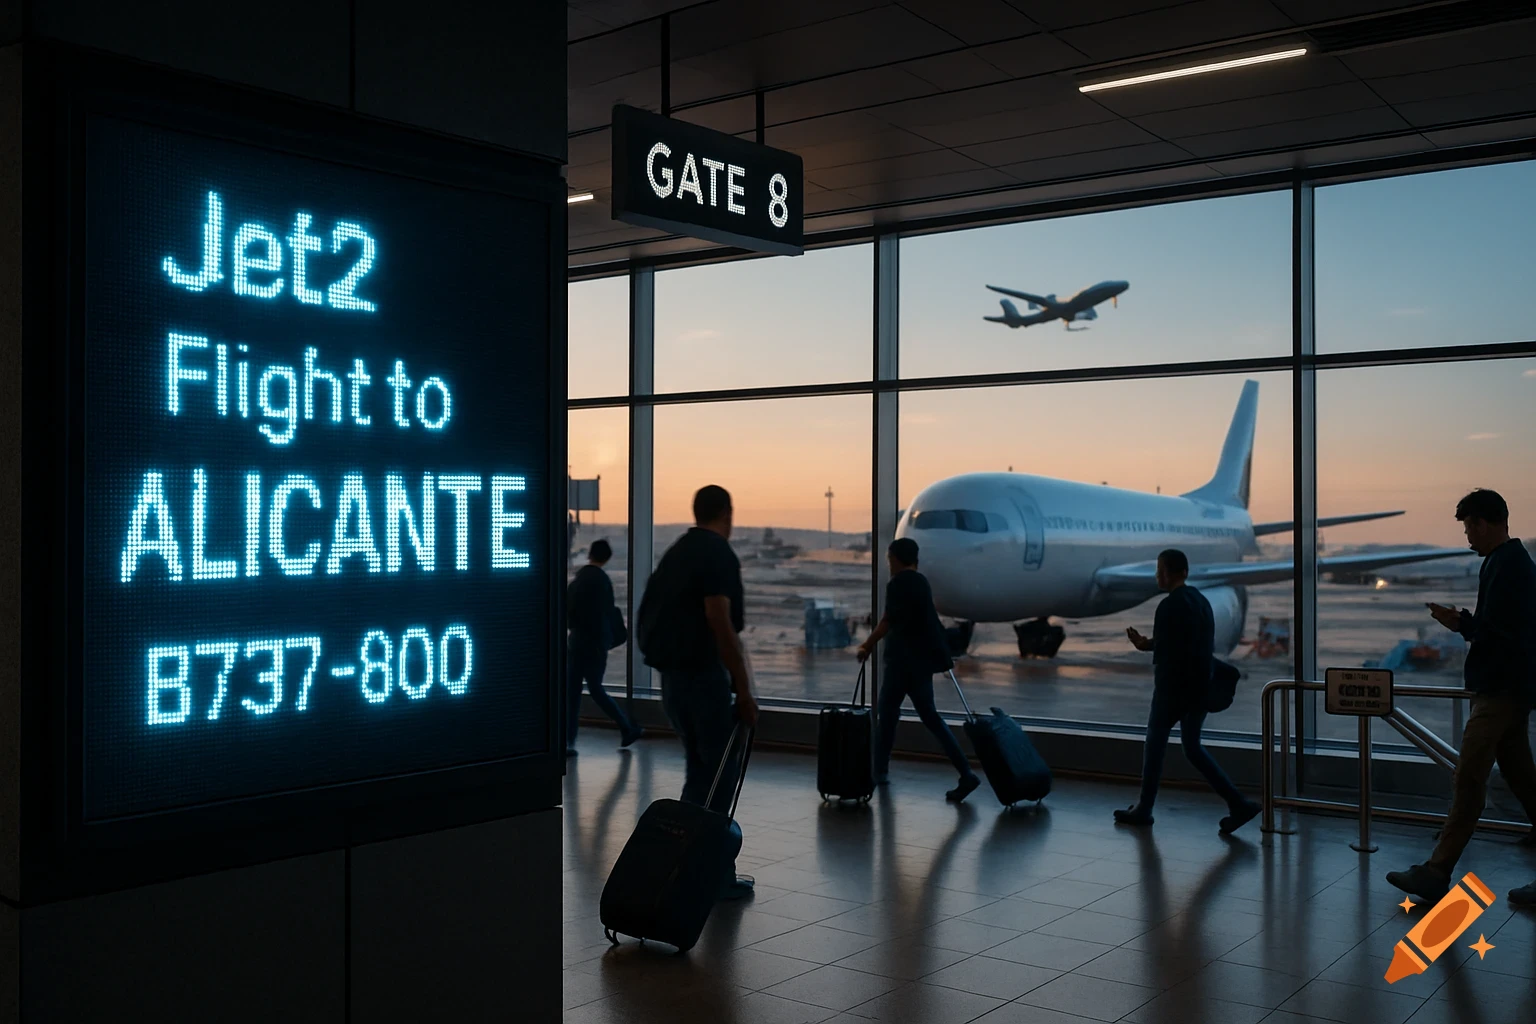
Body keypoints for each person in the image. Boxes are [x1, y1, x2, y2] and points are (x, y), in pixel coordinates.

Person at [1387, 489, 1536, 903]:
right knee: (1522, 777)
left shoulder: (1508, 567)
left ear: (1487, 523)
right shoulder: (1507, 563)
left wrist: (1460, 623)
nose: (1468, 535)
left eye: (1470, 526)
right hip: (1510, 689)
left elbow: (1501, 634)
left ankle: (1437, 871)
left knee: (1469, 777)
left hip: (1500, 692)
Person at [640, 485, 759, 901]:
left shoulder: (677, 553)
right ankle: (711, 874)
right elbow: (720, 622)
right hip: (704, 682)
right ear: (728, 513)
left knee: (699, 773)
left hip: (672, 683)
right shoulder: (717, 553)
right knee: (721, 779)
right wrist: (743, 689)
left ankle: (681, 865)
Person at [1117, 548, 1260, 833]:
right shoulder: (1201, 601)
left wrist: (1147, 646)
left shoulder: (1168, 606)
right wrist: (1149, 643)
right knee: (1192, 748)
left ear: (1172, 572)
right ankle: (1237, 803)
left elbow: (1167, 652)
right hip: (1199, 688)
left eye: (1161, 570)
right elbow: (1192, 644)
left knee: (1155, 745)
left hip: (1172, 689)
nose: (1158, 575)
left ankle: (1144, 808)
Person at [857, 538, 982, 803]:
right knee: (932, 719)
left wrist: (866, 645)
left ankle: (878, 772)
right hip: (922, 664)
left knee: (887, 716)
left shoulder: (898, 583)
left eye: (890, 559)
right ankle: (965, 773)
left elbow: (887, 621)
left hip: (901, 663)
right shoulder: (922, 582)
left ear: (898, 559)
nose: (888, 564)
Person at [565, 539, 643, 756]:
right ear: (607, 558)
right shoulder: (602, 581)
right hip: (595, 645)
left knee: (572, 692)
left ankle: (569, 740)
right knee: (596, 688)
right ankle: (627, 727)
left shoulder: (578, 580)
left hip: (576, 642)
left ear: (590, 554)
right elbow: (606, 615)